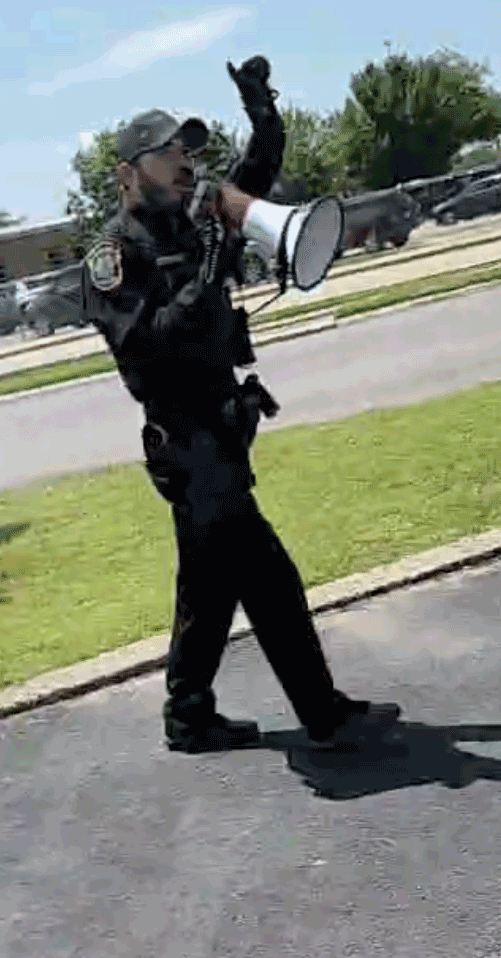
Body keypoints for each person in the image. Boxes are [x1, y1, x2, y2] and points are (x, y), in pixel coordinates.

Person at [80, 60, 402, 755]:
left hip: (221, 430)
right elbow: (149, 348)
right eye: (167, 154)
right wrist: (206, 272)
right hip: (187, 442)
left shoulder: (192, 220)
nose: (183, 165)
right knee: (268, 578)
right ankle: (325, 715)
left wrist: (262, 115)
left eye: (187, 152)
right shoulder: (112, 254)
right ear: (128, 172)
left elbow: (252, 179)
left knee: (208, 584)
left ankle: (187, 714)